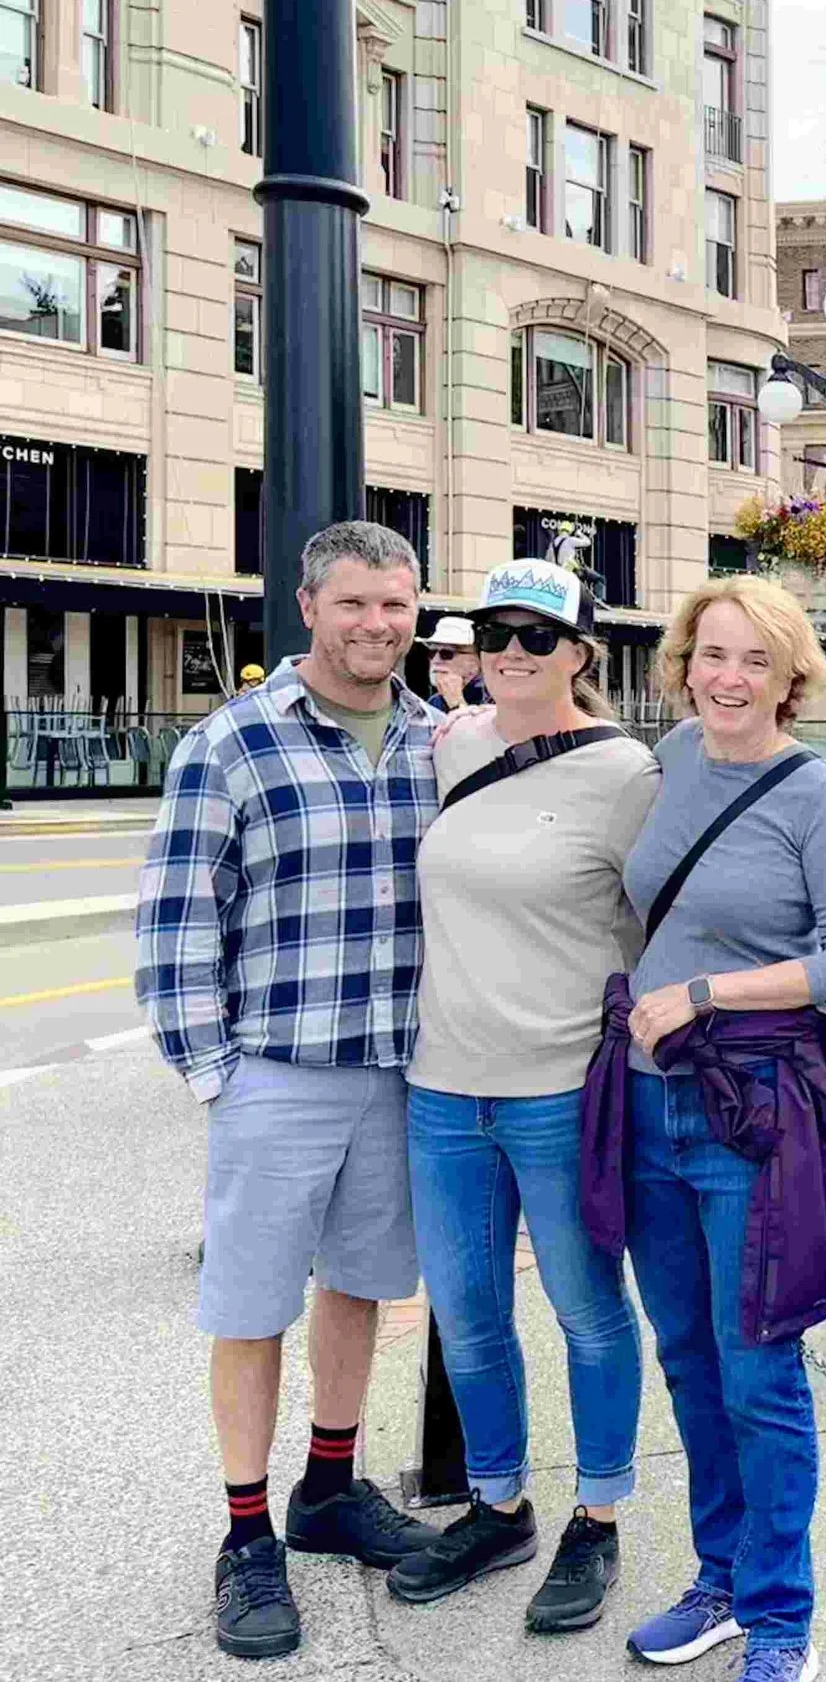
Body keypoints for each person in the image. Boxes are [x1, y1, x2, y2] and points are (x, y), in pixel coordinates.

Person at [137, 521, 445, 1663]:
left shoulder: (440, 742)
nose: (379, 625)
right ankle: (246, 1532)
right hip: (276, 1068)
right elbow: (176, 925)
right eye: (357, 604)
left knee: (362, 1285)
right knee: (250, 1304)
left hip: (399, 1069)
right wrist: (216, 1075)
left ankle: (329, 1484)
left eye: (398, 604)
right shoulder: (234, 743)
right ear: (309, 608)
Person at [586, 575, 826, 1682]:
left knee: (760, 1370)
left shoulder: (816, 794)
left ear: (790, 676)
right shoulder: (661, 767)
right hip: (648, 1105)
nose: (729, 678)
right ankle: (717, 1577)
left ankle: (779, 1617)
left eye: (756, 661)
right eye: (713, 655)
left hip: (752, 1114)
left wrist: (709, 994)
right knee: (689, 1357)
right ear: (682, 662)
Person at [383, 559, 660, 1632]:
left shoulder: (628, 774)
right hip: (443, 1087)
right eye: (494, 632)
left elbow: (653, 929)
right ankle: (498, 1503)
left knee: (588, 1310)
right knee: (465, 1310)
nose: (510, 652)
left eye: (536, 637)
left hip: (558, 1094)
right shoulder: (453, 745)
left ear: (581, 654)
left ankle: (598, 1515)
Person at [424, 615, 487, 711]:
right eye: (432, 653)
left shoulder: (496, 698)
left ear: (477, 660)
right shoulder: (434, 702)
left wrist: (456, 704)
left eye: (447, 653)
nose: (435, 660)